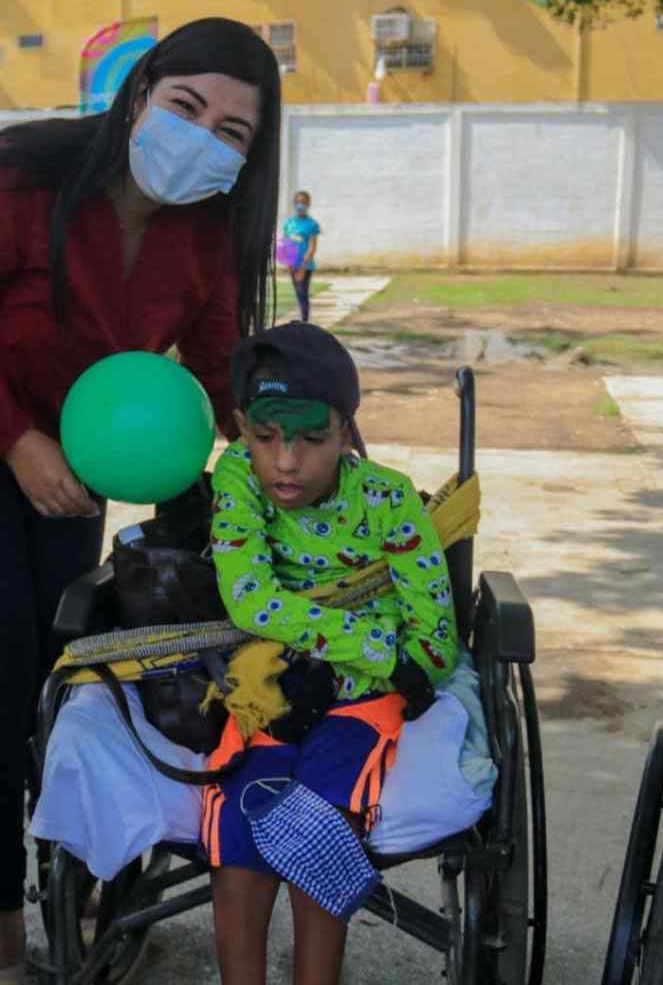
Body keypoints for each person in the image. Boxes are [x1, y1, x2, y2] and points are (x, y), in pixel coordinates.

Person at [0, 17, 281, 984]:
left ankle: (74, 865)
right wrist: (14, 441)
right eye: (186, 107)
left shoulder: (209, 229)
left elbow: (219, 372)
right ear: (140, 95)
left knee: (69, 667)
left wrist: (295, 443)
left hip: (79, 454)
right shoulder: (14, 181)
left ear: (250, 156)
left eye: (232, 131)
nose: (202, 138)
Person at [203, 322, 459, 985]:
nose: (286, 462)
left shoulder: (388, 500)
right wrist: (374, 649)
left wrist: (357, 669)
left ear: (346, 432)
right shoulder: (238, 474)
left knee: (318, 823)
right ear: (241, 429)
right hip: (273, 684)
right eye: (266, 437)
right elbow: (249, 601)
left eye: (311, 440)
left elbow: (433, 646)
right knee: (238, 826)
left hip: (361, 700)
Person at [282, 190, 320, 322]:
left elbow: (312, 247)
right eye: (297, 202)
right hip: (292, 264)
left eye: (303, 202)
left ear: (308, 204)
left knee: (303, 293)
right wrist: (289, 262)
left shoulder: (312, 224)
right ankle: (304, 321)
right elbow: (285, 244)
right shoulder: (289, 223)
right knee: (298, 294)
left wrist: (303, 266)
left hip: (305, 265)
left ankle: (305, 322)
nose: (300, 205)